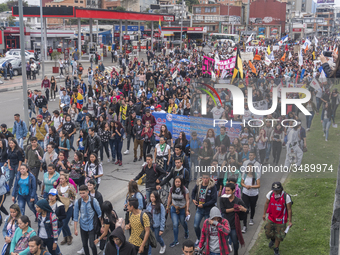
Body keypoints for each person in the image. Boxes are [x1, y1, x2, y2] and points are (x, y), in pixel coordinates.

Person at [263, 182, 293, 255]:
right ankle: (272, 239)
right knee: (268, 233)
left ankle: (276, 248)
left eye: (277, 190)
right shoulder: (270, 194)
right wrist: (264, 214)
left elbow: (289, 209)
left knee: (279, 236)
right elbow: (266, 203)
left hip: (281, 220)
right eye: (274, 190)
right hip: (271, 218)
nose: (275, 192)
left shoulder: (286, 196)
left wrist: (290, 221)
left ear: (281, 189)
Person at [220, 183, 248, 255]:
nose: (226, 192)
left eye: (228, 190)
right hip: (225, 225)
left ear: (233, 191)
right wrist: (234, 208)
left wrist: (243, 209)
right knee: (223, 242)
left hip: (234, 225)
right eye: (226, 190)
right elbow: (223, 210)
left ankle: (236, 252)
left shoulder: (238, 200)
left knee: (235, 242)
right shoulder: (223, 199)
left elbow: (246, 210)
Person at [74, 185, 102, 255]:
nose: (82, 195)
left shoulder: (93, 201)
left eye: (83, 193)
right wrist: (75, 229)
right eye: (80, 193)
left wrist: (103, 226)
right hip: (83, 226)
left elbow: (100, 214)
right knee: (84, 245)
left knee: (92, 245)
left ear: (87, 192)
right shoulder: (78, 202)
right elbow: (75, 216)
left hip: (91, 226)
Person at [191, 173, 217, 246]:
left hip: (208, 210)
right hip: (199, 209)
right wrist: (193, 199)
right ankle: (199, 238)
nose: (205, 179)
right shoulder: (198, 184)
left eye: (207, 178)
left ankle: (207, 240)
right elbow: (193, 192)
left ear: (209, 178)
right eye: (204, 178)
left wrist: (204, 205)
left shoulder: (212, 187)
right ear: (202, 178)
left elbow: (214, 199)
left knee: (208, 228)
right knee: (196, 225)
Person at [166, 176, 190, 248]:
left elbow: (187, 200)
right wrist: (167, 206)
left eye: (179, 182)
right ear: (174, 182)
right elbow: (169, 197)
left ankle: (186, 231)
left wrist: (187, 210)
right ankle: (175, 240)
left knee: (183, 222)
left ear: (181, 182)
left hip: (182, 209)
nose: (177, 183)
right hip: (174, 209)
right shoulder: (171, 189)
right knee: (175, 224)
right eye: (176, 182)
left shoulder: (185, 190)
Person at [56, 173, 77, 246]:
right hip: (61, 207)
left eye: (62, 179)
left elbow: (74, 196)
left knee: (65, 223)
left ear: (66, 179)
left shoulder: (70, 187)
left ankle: (69, 236)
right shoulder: (58, 187)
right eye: (60, 179)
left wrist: (71, 203)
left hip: (69, 207)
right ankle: (65, 237)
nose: (60, 180)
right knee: (61, 223)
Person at [240, 163, 261, 233]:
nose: (249, 169)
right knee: (245, 208)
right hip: (245, 193)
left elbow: (258, 185)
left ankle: (251, 218)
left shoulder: (256, 175)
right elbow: (242, 183)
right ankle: (244, 225)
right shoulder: (244, 174)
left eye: (251, 168)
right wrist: (245, 186)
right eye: (248, 168)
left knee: (252, 207)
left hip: (254, 194)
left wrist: (251, 186)